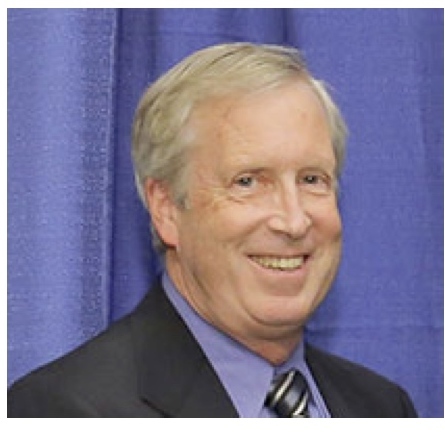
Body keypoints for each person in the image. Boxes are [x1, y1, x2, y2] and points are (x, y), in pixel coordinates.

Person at [8, 42, 417, 417]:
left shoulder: (383, 408)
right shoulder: (63, 412)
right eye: (248, 182)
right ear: (167, 208)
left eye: (312, 179)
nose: (294, 221)